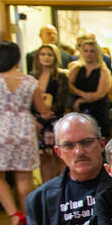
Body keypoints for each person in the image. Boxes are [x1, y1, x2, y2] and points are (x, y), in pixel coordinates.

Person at [0, 41, 47, 225]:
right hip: (24, 127)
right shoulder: (30, 81)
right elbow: (41, 109)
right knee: (24, 177)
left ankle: (13, 214)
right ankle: (30, 220)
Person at [20, 113, 112, 225]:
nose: (79, 151)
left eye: (86, 142)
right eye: (69, 145)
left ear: (102, 144)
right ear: (58, 152)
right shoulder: (39, 199)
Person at [30, 44, 68, 182]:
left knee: (59, 155)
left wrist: (45, 116)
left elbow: (61, 101)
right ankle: (47, 187)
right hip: (36, 121)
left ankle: (61, 186)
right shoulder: (32, 76)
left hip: (54, 120)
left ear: (55, 57)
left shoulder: (61, 76)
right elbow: (29, 101)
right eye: (43, 54)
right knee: (44, 157)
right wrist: (38, 118)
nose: (46, 57)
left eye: (49, 54)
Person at [68, 38, 112, 138]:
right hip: (78, 112)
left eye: (92, 51)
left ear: (97, 53)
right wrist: (83, 95)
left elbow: (100, 93)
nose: (89, 54)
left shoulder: (103, 71)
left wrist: (81, 100)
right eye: (86, 51)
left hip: (98, 111)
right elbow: (69, 86)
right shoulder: (76, 69)